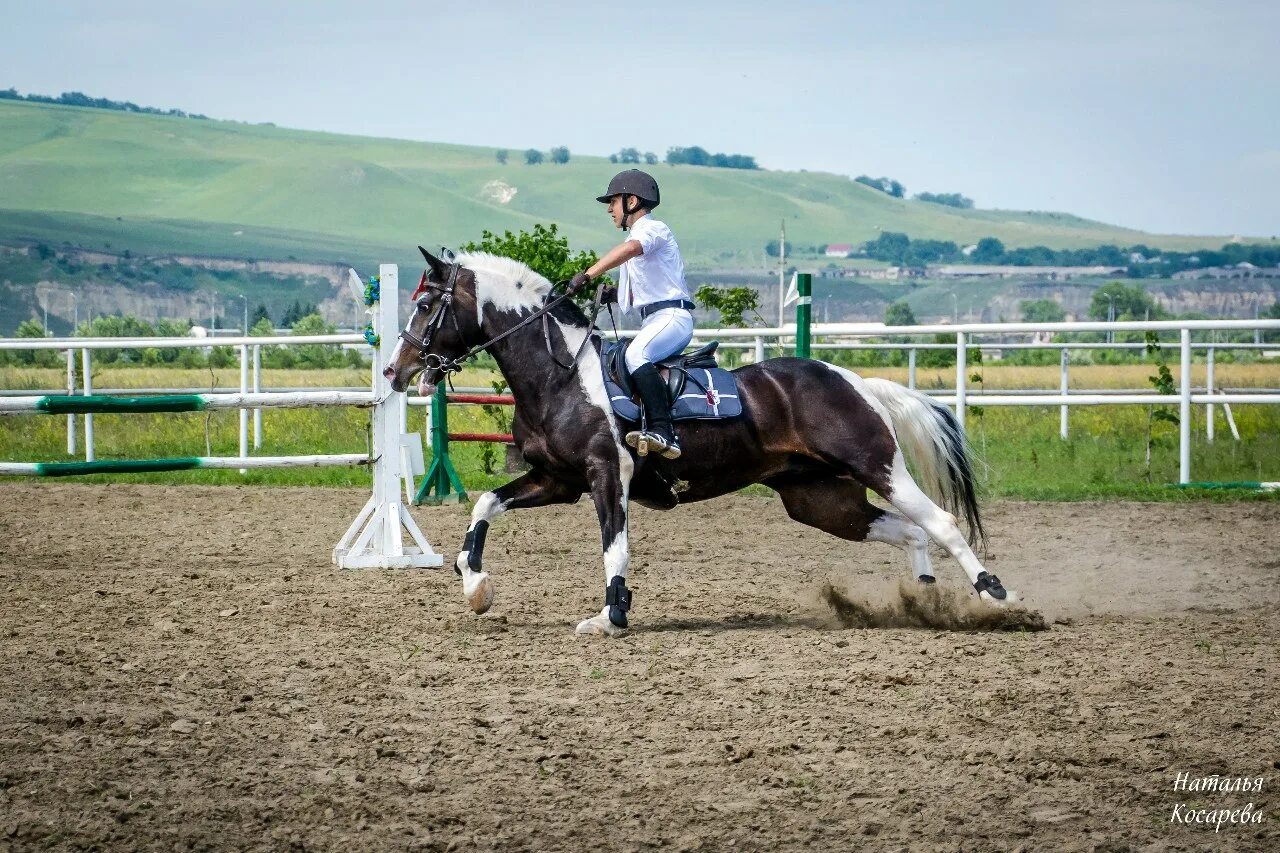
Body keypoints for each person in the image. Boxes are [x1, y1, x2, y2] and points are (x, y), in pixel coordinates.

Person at [569, 169, 694, 459]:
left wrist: (588, 275)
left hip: (673, 318)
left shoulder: (652, 229)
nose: (609, 209)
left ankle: (664, 432)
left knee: (636, 356)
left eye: (613, 202)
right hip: (655, 318)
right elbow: (640, 288)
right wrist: (613, 293)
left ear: (632, 201)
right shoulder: (639, 237)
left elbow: (630, 250)